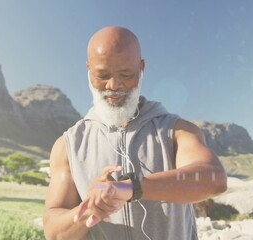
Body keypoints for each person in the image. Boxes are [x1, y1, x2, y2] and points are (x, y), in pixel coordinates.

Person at [43, 26, 227, 240]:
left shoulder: (177, 130)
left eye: (126, 74)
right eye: (102, 75)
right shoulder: (68, 145)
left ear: (141, 68)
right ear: (88, 68)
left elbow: (214, 179)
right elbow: (53, 232)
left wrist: (131, 187)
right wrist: (92, 208)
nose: (114, 85)